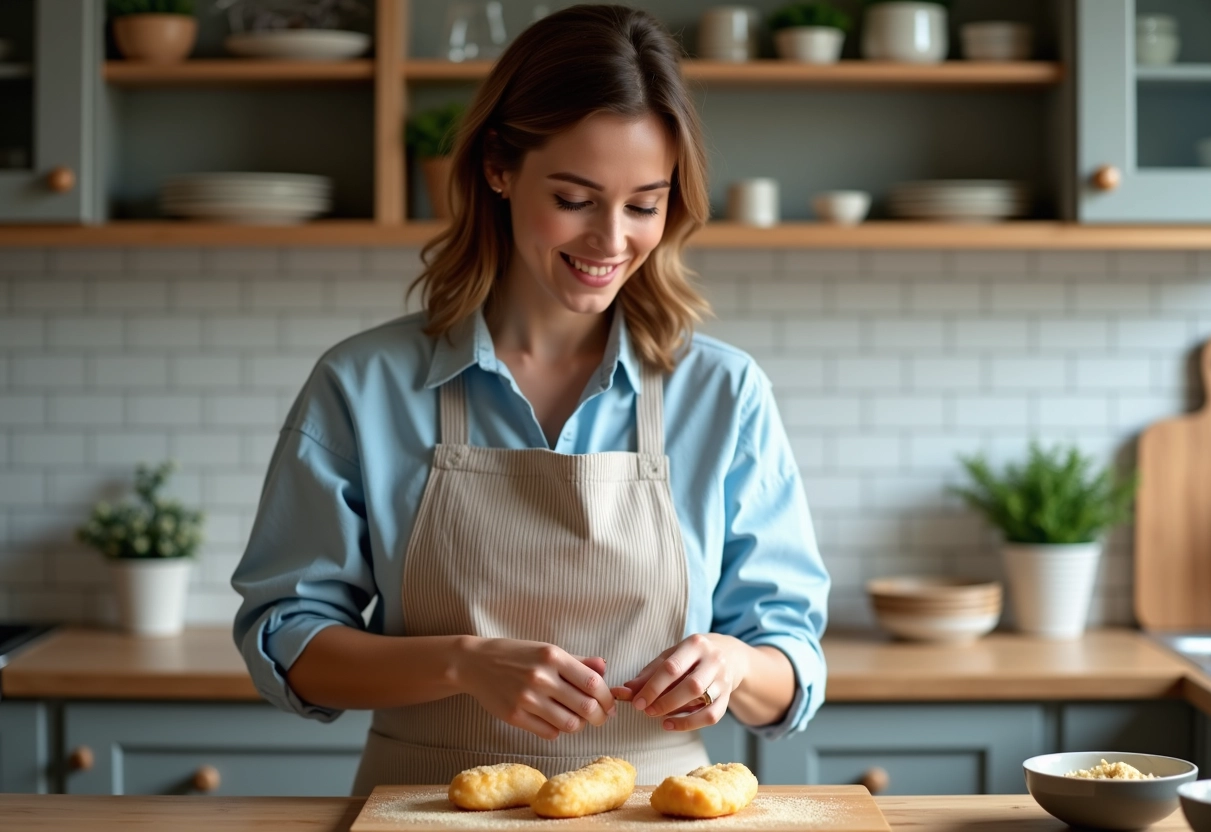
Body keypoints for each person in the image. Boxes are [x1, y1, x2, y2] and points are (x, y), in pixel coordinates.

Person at [231, 3, 829, 795]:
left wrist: (733, 664)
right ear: (498, 168)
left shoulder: (722, 393)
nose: (612, 240)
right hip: (425, 812)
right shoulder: (363, 385)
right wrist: (459, 661)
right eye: (576, 199)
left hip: (657, 811)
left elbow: (791, 667)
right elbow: (289, 644)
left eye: (645, 204)